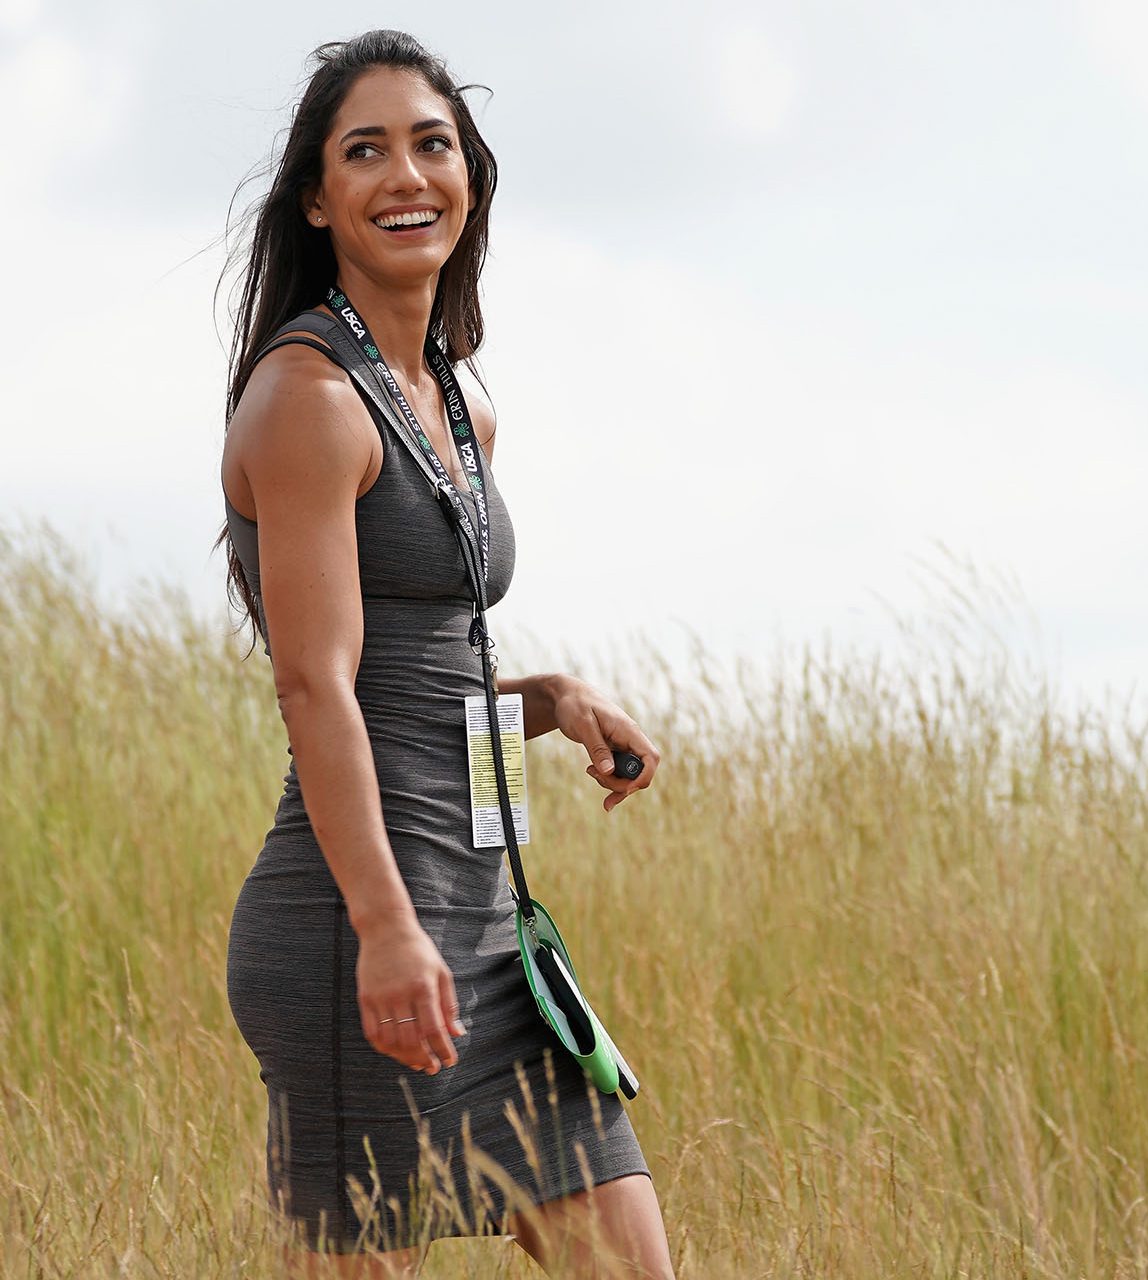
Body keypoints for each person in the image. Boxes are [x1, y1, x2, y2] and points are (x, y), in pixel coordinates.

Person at [214, 30, 676, 1278]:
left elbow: (418, 677)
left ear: (469, 173)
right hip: (356, 930)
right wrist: (385, 927)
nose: (406, 174)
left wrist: (551, 698)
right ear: (319, 198)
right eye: (365, 150)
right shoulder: (311, 400)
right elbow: (317, 684)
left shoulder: (460, 401)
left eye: (432, 144)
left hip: (485, 925)